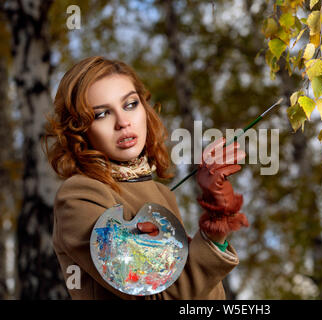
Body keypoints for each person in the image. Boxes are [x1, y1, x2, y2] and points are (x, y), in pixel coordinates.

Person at [42, 56, 249, 300]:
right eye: (101, 114)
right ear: (79, 130)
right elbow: (154, 297)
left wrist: (216, 229)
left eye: (130, 104)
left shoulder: (162, 194)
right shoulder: (80, 195)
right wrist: (213, 238)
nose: (123, 122)